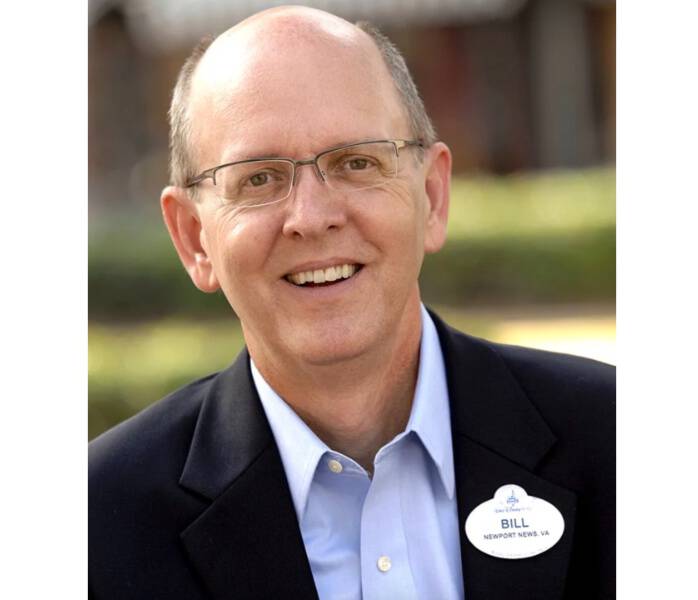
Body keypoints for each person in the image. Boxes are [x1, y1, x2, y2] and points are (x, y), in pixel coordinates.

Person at [89, 6, 614, 599]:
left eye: (357, 162)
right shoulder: (93, 527)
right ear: (193, 238)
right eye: (258, 178)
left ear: (433, 198)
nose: (312, 219)